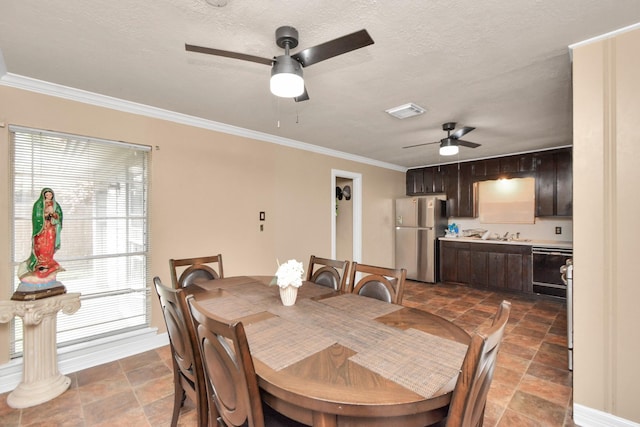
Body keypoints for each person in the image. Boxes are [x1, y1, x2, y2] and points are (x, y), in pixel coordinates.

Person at [18, 188, 64, 282]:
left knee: (49, 245)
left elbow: (59, 217)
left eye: (50, 195)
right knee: (41, 245)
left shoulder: (56, 205)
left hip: (51, 228)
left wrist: (53, 214)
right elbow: (36, 216)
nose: (48, 196)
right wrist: (45, 215)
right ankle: (40, 264)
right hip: (41, 229)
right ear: (43, 195)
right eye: (47, 195)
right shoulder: (38, 204)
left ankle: (48, 263)